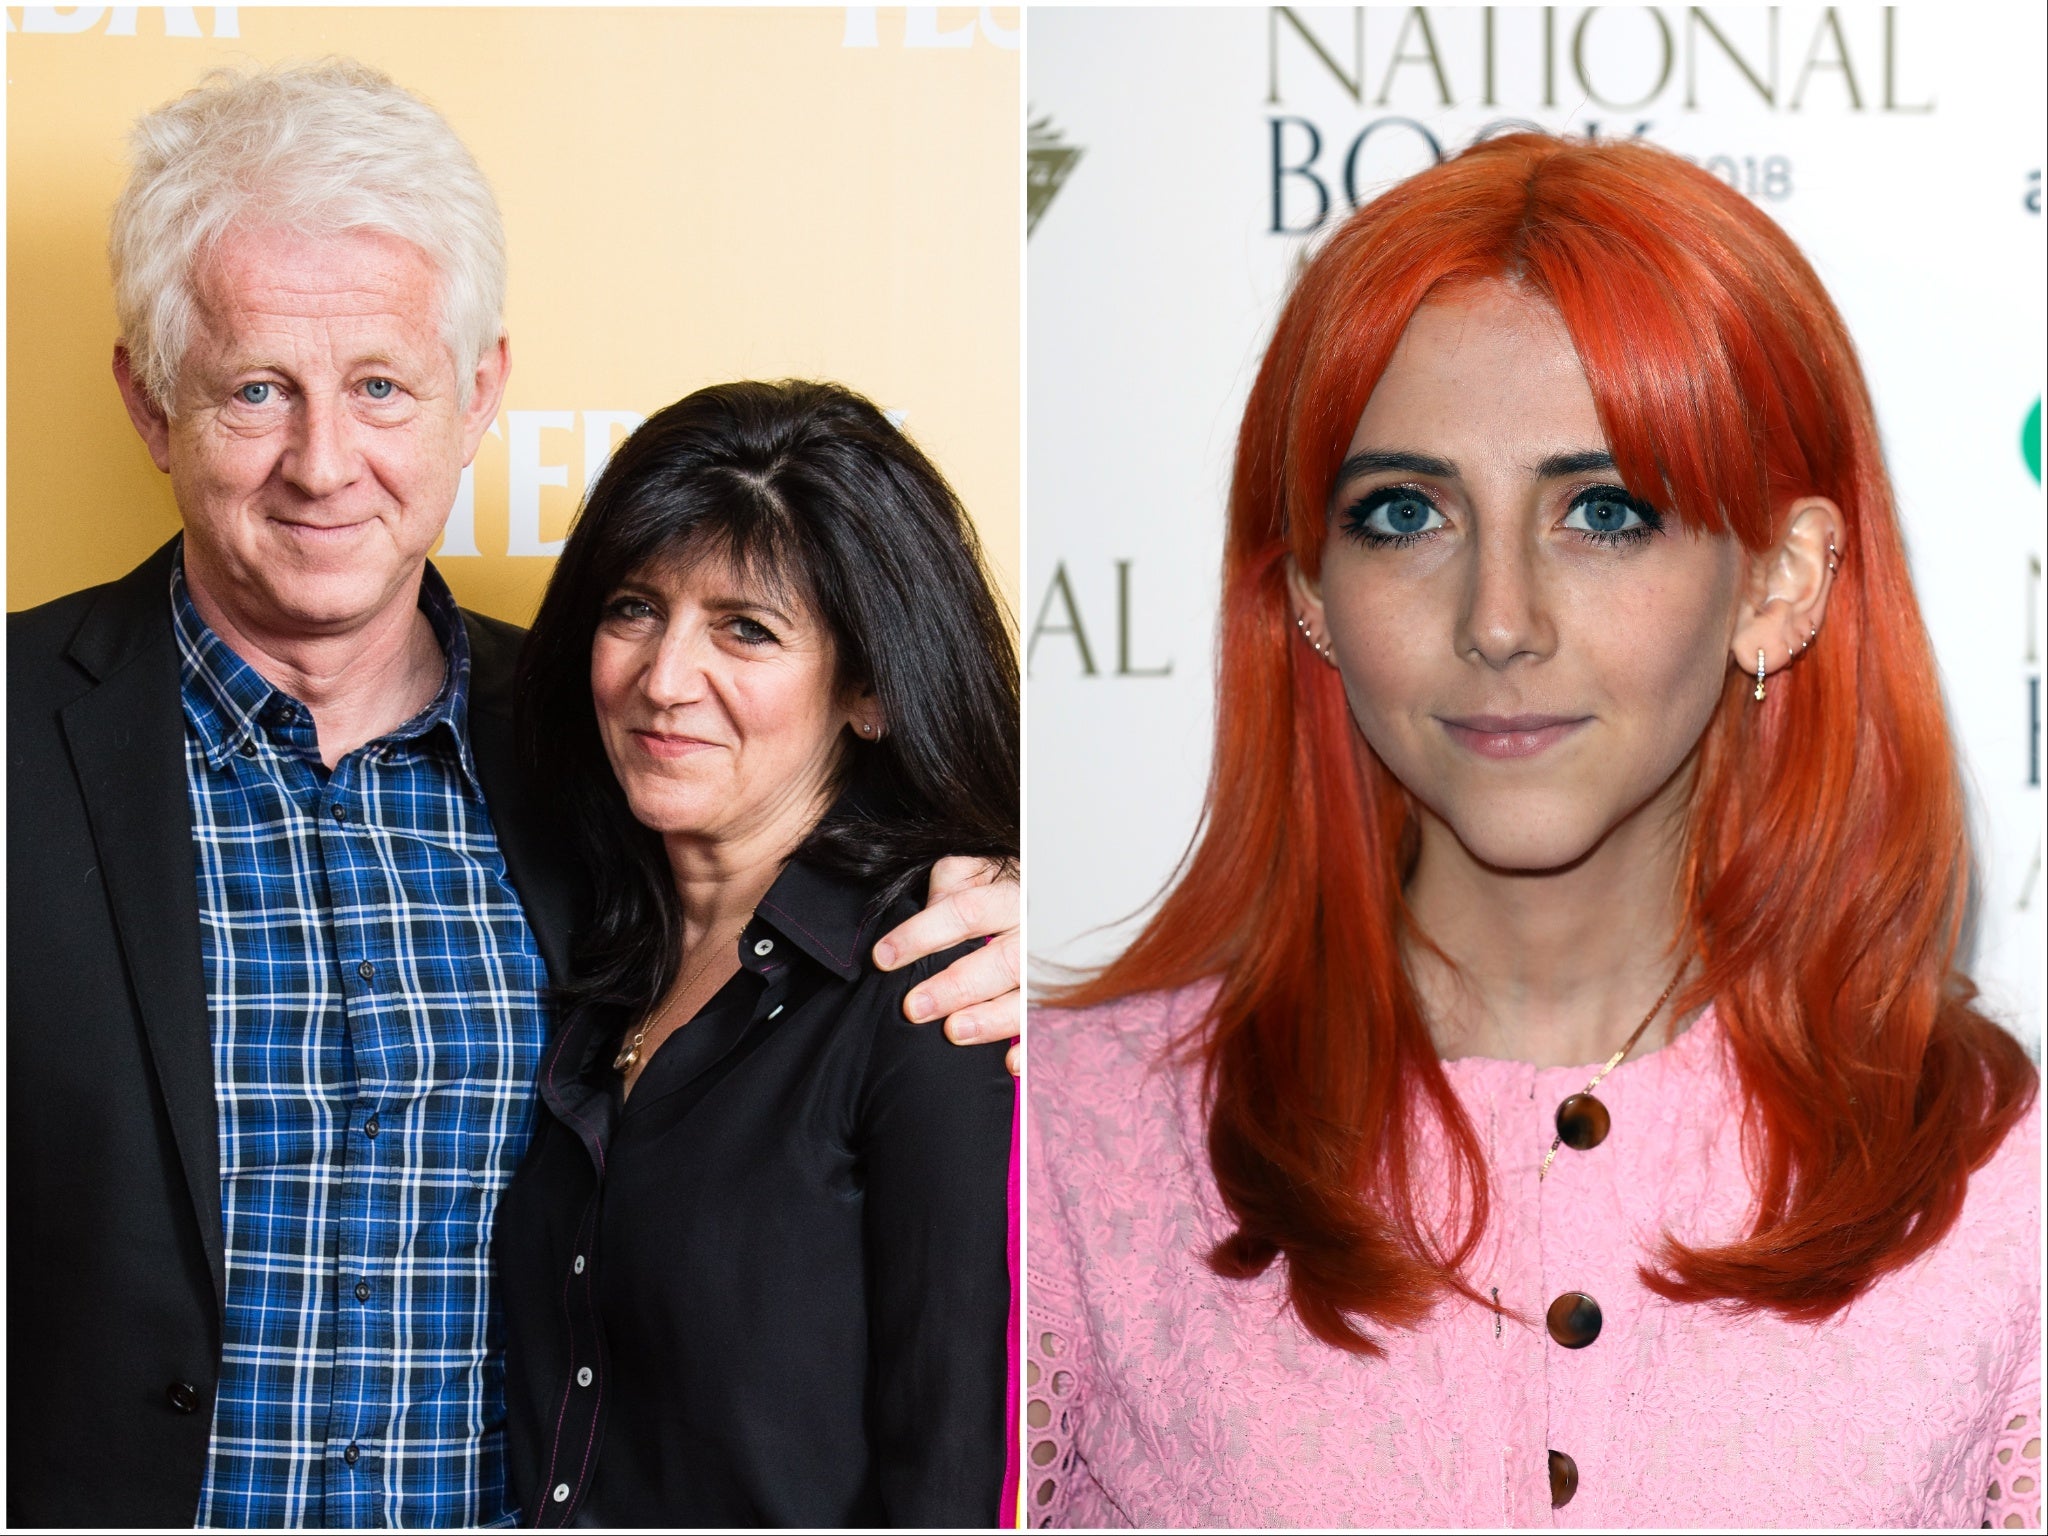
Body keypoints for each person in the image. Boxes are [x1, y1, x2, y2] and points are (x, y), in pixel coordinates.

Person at [6, 62, 1021, 1530]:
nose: (323, 463)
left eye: (380, 387)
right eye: (252, 390)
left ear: (478, 392)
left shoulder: (604, 757)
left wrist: (1015, 903)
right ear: (149, 405)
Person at [1026, 133, 2041, 1529]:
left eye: (1605, 513)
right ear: (1311, 589)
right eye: (1405, 514)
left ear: (1783, 581)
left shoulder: (2011, 1202)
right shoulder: (1062, 1152)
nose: (1499, 620)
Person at [495, 380, 1017, 1527]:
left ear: (871, 691)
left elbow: (950, 1467)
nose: (663, 679)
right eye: (633, 609)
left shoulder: (937, 991)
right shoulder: (589, 946)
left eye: (746, 629)